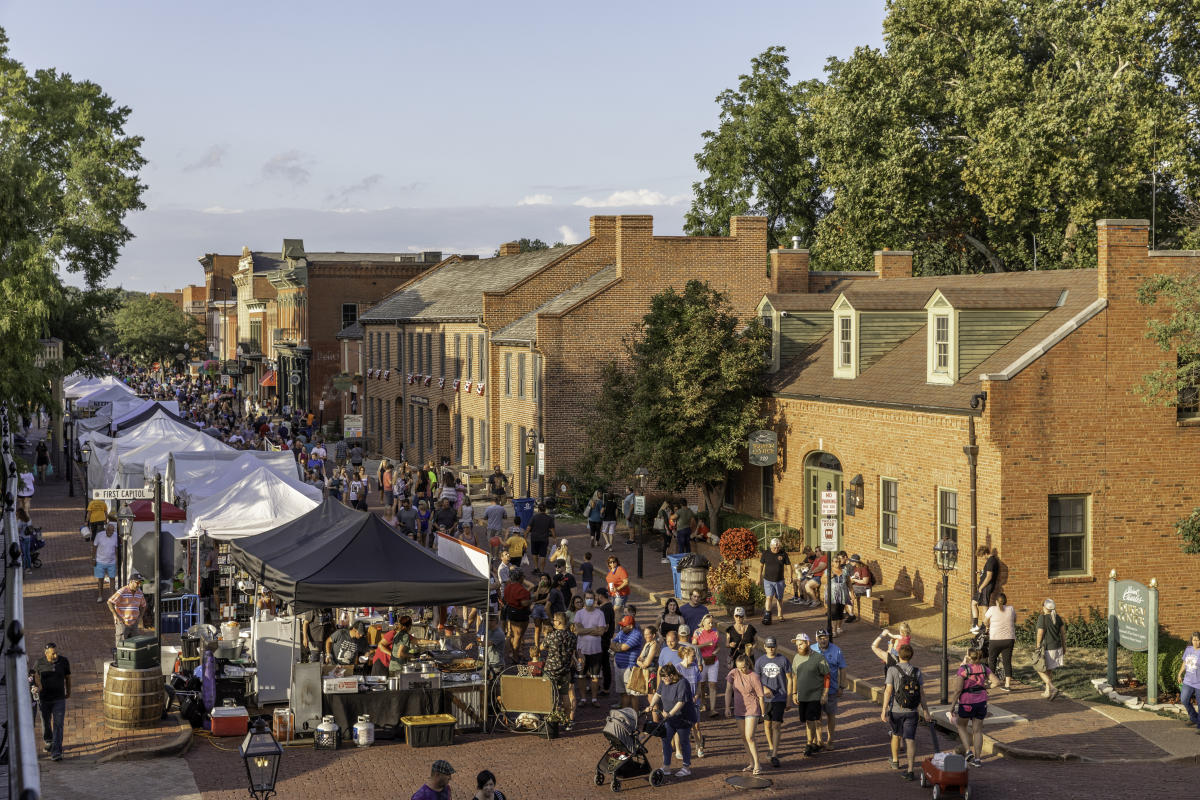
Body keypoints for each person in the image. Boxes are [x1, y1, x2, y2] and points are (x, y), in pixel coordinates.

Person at [881, 643, 932, 780]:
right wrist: (925, 711)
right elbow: (922, 693)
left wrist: (884, 709)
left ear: (899, 655)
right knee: (910, 740)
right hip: (912, 711)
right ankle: (910, 770)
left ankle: (896, 761)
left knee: (896, 735)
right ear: (911, 656)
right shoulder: (917, 671)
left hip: (896, 710)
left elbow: (888, 691)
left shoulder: (892, 670)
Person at [951, 646, 999, 766]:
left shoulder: (963, 669)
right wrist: (985, 687)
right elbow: (997, 682)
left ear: (968, 656)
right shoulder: (984, 667)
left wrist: (952, 706)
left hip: (967, 702)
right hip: (981, 702)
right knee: (977, 731)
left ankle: (968, 751)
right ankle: (978, 759)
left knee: (961, 725)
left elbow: (958, 689)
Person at [649, 663, 697, 778]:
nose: (664, 680)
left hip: (684, 718)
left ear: (672, 675)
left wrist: (670, 713)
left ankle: (686, 767)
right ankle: (666, 767)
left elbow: (681, 702)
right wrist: (651, 705)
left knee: (684, 741)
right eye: (662, 677)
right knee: (665, 740)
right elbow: (658, 694)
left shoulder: (682, 683)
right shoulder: (664, 681)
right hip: (669, 719)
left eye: (665, 677)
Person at [787, 632, 830, 757]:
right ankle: (813, 743)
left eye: (801, 644)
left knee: (811, 720)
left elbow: (827, 676)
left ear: (808, 643)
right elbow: (794, 676)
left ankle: (809, 744)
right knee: (806, 721)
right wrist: (794, 693)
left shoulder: (819, 658)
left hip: (815, 695)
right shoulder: (796, 657)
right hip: (802, 696)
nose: (798, 646)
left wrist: (825, 694)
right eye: (797, 644)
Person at [725, 651, 766, 775]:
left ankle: (758, 764)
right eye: (739, 667)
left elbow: (761, 696)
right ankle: (751, 763)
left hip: (752, 708)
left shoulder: (754, 676)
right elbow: (727, 691)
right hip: (739, 709)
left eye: (743, 667)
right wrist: (727, 707)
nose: (741, 670)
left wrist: (763, 714)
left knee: (750, 737)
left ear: (748, 664)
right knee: (743, 738)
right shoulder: (733, 673)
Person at [754, 636, 789, 768]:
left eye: (773, 646)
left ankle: (774, 754)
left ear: (776, 646)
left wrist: (789, 697)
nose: (771, 649)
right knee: (767, 724)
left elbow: (790, 678)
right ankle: (770, 746)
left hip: (780, 697)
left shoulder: (783, 660)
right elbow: (756, 680)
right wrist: (764, 688)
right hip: (766, 699)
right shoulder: (760, 661)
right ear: (764, 647)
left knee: (776, 725)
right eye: (768, 646)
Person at [540, 612, 578, 729]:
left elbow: (541, 647)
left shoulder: (552, 636)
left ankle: (551, 721)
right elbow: (573, 651)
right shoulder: (572, 636)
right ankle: (567, 722)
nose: (553, 622)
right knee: (565, 695)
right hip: (565, 670)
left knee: (550, 697)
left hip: (551, 670)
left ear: (559, 622)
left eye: (555, 620)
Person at [34, 642, 70, 761]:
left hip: (59, 699)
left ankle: (56, 752)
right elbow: (35, 679)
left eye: (57, 653)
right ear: (46, 653)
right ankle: (48, 741)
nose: (56, 656)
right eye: (53, 654)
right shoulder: (39, 664)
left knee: (58, 725)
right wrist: (36, 688)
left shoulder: (63, 661)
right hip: (44, 700)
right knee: (45, 722)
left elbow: (68, 678)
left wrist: (68, 691)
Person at [813, 629, 845, 749]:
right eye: (820, 637)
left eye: (825, 637)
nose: (823, 640)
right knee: (817, 715)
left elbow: (842, 668)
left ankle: (830, 740)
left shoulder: (836, 650)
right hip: (816, 690)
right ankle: (819, 739)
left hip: (831, 689)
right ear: (816, 639)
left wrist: (842, 686)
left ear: (828, 637)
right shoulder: (811, 650)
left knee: (831, 715)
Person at [573, 590, 607, 707]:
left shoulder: (600, 614)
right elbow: (578, 630)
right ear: (584, 599)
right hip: (581, 650)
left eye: (591, 598)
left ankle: (593, 699)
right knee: (581, 676)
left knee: (595, 676)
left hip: (596, 650)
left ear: (594, 599)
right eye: (587, 598)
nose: (589, 600)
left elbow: (601, 631)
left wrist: (585, 630)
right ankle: (583, 699)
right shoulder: (579, 614)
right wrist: (594, 630)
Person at [1034, 598, 1066, 700]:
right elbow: (1063, 633)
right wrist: (1064, 647)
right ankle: (1047, 691)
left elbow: (1040, 633)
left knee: (1038, 667)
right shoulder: (1057, 617)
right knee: (1049, 671)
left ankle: (1052, 688)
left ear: (1044, 607)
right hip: (1057, 647)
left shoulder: (1042, 618)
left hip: (1048, 648)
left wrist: (1037, 646)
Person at [610, 614, 644, 708]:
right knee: (623, 692)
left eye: (624, 625)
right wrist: (618, 647)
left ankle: (634, 714)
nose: (621, 627)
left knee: (632, 694)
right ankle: (625, 713)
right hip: (619, 666)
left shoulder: (636, 634)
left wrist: (616, 647)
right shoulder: (622, 632)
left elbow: (624, 647)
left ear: (631, 626)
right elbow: (612, 644)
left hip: (630, 668)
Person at [984, 593, 1017, 690]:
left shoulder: (992, 609)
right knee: (1007, 661)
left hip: (995, 639)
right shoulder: (1011, 609)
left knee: (992, 659)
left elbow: (985, 621)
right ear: (1006, 601)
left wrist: (987, 627)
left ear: (996, 602)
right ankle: (1007, 685)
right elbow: (1014, 620)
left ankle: (992, 681)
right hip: (1009, 639)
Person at [108, 574, 148, 647]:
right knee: (121, 644)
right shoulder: (122, 591)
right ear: (131, 582)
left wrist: (140, 617)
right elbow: (110, 602)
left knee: (135, 644)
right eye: (137, 583)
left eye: (140, 583)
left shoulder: (139, 592)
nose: (139, 585)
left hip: (134, 623)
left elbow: (143, 605)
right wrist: (117, 617)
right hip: (122, 622)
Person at [757, 537, 790, 624]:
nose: (776, 549)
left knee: (779, 598)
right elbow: (760, 566)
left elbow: (789, 565)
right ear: (771, 546)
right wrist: (758, 578)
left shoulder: (783, 554)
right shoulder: (766, 553)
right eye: (775, 547)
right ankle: (767, 615)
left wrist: (790, 576)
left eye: (778, 547)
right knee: (769, 597)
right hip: (768, 580)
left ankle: (780, 615)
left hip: (779, 580)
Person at [501, 569, 532, 663]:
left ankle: (514, 653)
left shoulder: (508, 587)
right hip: (520, 613)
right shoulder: (521, 589)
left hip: (511, 612)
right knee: (518, 636)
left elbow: (505, 599)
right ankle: (515, 656)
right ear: (520, 577)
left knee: (513, 635)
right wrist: (533, 599)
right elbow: (524, 603)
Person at [693, 614, 721, 717]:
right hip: (702, 661)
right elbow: (694, 646)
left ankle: (713, 709)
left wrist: (715, 652)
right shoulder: (697, 632)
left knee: (713, 684)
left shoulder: (715, 633)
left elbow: (718, 647)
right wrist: (706, 644)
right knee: (702, 684)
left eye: (712, 623)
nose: (710, 624)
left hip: (713, 661)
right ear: (703, 622)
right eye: (708, 622)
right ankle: (703, 703)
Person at [971, 545, 1001, 633]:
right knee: (974, 603)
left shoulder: (991, 561)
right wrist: (981, 572)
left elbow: (989, 577)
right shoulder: (990, 561)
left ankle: (985, 626)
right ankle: (975, 624)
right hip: (984, 587)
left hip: (986, 587)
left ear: (985, 554)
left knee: (984, 605)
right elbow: (987, 574)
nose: (981, 558)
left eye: (981, 556)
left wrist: (981, 587)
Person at [92, 523, 120, 602]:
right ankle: (100, 596)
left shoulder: (116, 536)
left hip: (112, 562)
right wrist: (93, 559)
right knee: (100, 579)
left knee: (112, 579)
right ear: (106, 530)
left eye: (112, 531)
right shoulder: (99, 535)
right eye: (110, 531)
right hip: (100, 561)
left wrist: (117, 561)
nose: (111, 533)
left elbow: (117, 549)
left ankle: (112, 597)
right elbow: (94, 546)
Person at [1178, 632, 1200, 728]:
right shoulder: (1188, 649)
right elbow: (1185, 662)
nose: (1196, 642)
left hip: (1199, 683)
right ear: (1191, 640)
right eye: (1194, 640)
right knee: (1184, 699)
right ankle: (1194, 718)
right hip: (1188, 681)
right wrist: (1179, 673)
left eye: (1198, 640)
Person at [525, 502, 555, 573]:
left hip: (534, 538)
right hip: (544, 539)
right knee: (543, 555)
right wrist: (555, 538)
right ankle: (542, 571)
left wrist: (525, 536)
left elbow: (528, 528)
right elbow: (552, 530)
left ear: (538, 509)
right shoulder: (549, 518)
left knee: (534, 553)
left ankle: (536, 568)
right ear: (545, 510)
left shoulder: (534, 517)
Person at [829, 551, 852, 636]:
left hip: (842, 594)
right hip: (832, 595)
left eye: (839, 561)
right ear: (832, 563)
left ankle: (839, 627)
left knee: (840, 612)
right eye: (836, 561)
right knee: (834, 612)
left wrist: (852, 593)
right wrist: (828, 577)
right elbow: (822, 581)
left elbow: (849, 582)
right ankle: (833, 631)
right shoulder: (829, 571)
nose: (838, 563)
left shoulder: (844, 571)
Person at [847, 553, 873, 619]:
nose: (850, 562)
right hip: (857, 586)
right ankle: (849, 613)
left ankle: (851, 614)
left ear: (856, 562)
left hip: (864, 587)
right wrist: (852, 579)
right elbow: (856, 578)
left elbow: (865, 581)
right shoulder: (855, 568)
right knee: (845, 591)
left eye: (852, 561)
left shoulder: (864, 569)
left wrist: (855, 580)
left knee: (849, 593)